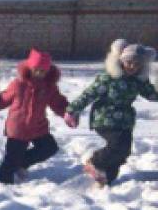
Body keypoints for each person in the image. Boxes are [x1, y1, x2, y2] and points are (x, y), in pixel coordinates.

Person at [65, 41, 157, 186]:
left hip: (125, 120)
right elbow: (89, 94)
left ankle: (107, 177)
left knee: (124, 151)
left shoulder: (139, 81)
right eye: (129, 62)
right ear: (121, 61)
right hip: (104, 117)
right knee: (117, 144)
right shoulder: (109, 77)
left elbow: (152, 95)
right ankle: (95, 161)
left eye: (137, 64)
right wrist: (73, 110)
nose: (132, 66)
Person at [0, 48, 69, 185]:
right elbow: (3, 99)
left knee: (49, 148)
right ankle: (3, 182)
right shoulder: (18, 85)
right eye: (36, 69)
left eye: (43, 71)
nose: (39, 73)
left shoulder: (49, 87)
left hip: (38, 127)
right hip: (18, 130)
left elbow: (58, 102)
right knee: (11, 159)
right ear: (30, 68)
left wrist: (69, 112)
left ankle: (23, 162)